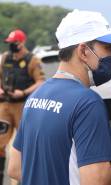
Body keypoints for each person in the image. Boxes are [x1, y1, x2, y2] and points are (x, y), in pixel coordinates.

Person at [7, 10, 111, 185]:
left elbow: (15, 168)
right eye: (108, 47)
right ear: (83, 51)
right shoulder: (87, 102)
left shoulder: (35, 97)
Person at [0, 29, 45, 184]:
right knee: (0, 143)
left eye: (14, 43)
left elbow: (41, 82)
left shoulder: (32, 59)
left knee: (25, 145)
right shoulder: (5, 58)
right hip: (5, 106)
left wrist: (23, 92)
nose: (11, 46)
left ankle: (20, 180)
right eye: (10, 43)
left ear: (22, 42)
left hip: (23, 106)